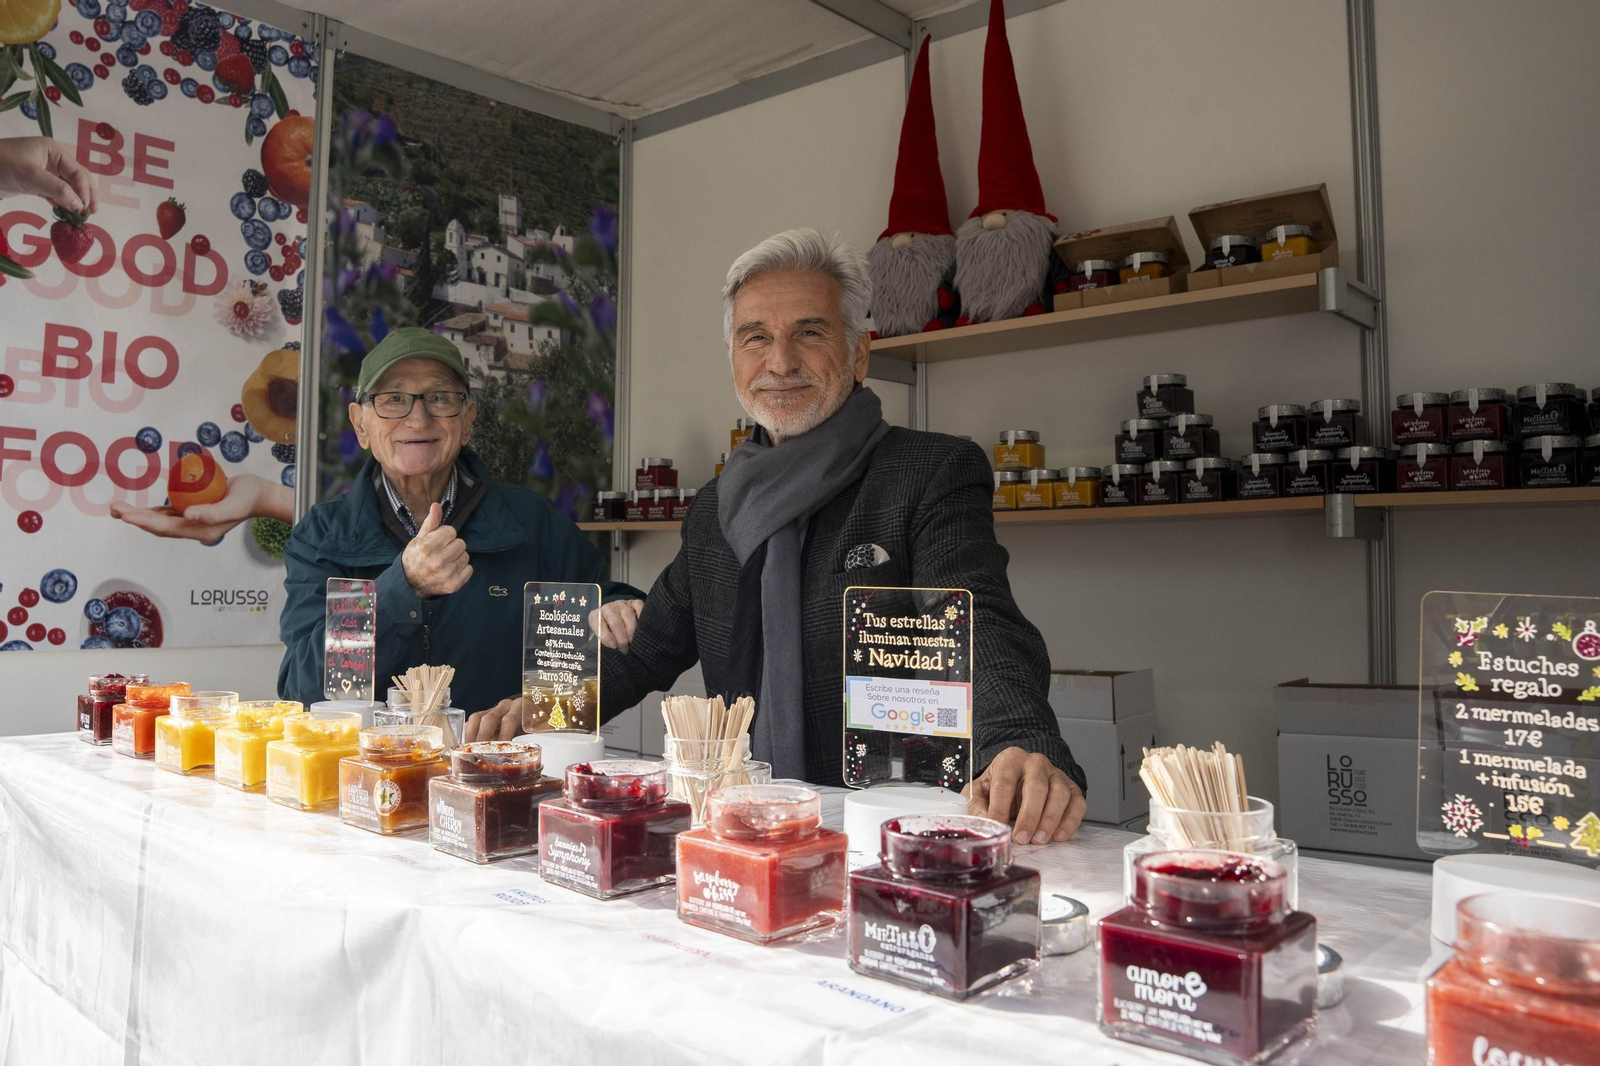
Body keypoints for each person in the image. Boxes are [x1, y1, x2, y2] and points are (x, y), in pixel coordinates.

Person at [469, 229, 1088, 844]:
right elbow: (653, 643)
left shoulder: (926, 473)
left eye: (810, 333)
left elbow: (979, 619)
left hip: (885, 831)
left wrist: (1018, 741)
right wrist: (543, 706)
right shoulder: (716, 508)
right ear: (735, 361)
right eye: (755, 337)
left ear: (860, 353)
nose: (781, 361)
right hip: (747, 829)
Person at [278, 327, 645, 716]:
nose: (418, 420)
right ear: (360, 424)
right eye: (393, 399)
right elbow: (302, 691)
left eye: (439, 398)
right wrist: (403, 586)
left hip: (501, 772)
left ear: (467, 419)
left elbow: (606, 627)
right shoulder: (321, 536)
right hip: (368, 772)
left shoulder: (534, 525)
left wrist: (617, 616)